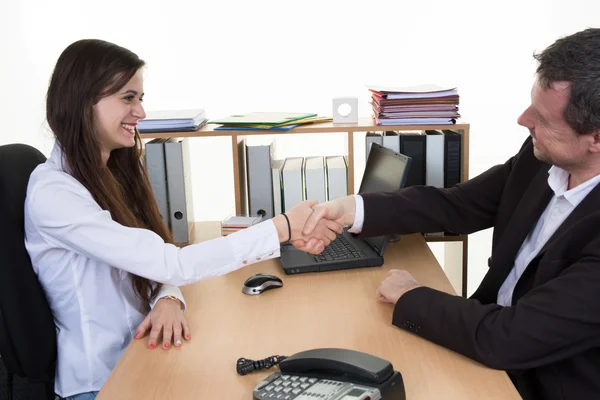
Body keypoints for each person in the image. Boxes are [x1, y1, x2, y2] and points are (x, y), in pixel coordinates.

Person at [24, 39, 342, 400]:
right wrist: (282, 227)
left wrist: (168, 299)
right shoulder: (55, 195)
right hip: (101, 383)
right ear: (82, 101)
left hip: (140, 358)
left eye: (140, 98)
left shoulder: (108, 173)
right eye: (128, 98)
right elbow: (169, 263)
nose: (140, 113)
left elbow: (158, 258)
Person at [297, 28, 600, 399]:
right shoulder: (543, 159)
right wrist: (351, 208)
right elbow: (456, 205)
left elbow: (514, 338)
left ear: (596, 138)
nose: (523, 120)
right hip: (483, 347)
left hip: (541, 381)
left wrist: (412, 296)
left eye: (542, 117)